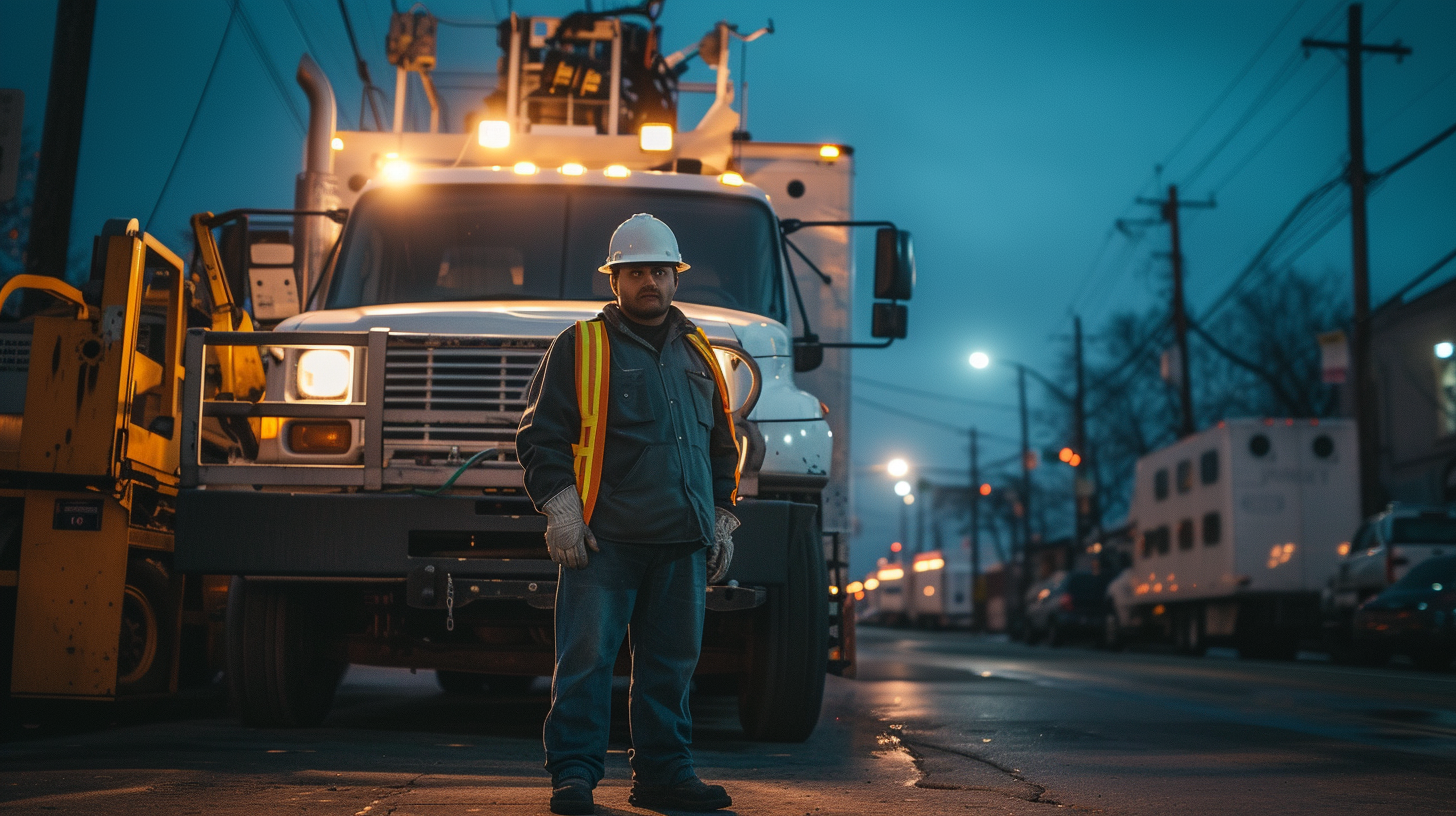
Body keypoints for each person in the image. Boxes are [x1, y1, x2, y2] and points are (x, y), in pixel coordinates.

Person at [516, 213, 742, 815]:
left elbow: (722, 443)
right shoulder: (581, 345)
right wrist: (561, 508)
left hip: (682, 539)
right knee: (586, 661)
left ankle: (666, 776)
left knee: (671, 667)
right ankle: (574, 777)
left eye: (660, 271)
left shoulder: (700, 351)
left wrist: (722, 517)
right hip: (605, 540)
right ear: (614, 280)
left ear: (676, 278)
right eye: (636, 271)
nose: (650, 281)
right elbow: (541, 435)